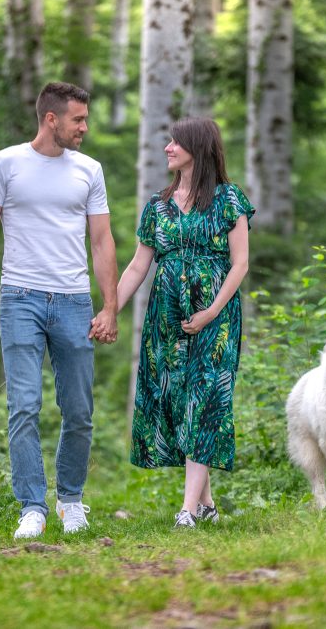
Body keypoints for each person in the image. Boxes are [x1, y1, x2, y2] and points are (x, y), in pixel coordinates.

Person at [0, 82, 118, 540]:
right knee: (24, 406)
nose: (84, 127)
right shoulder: (4, 163)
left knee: (79, 410)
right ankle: (32, 506)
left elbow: (102, 240)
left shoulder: (89, 170)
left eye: (85, 119)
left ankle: (70, 499)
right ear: (51, 119)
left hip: (74, 302)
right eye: (77, 119)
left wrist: (110, 305)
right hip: (20, 299)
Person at [116, 117, 253, 528]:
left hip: (217, 317)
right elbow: (138, 266)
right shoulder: (157, 206)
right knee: (178, 402)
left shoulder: (229, 200)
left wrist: (212, 311)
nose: (168, 148)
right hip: (167, 316)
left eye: (176, 142)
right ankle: (207, 505)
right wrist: (110, 310)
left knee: (206, 400)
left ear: (197, 147)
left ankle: (187, 511)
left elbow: (241, 263)